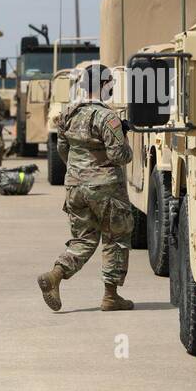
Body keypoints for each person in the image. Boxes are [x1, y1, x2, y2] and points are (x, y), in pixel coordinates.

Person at [37, 64, 134, 312]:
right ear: (104, 85)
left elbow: (62, 150)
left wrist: (79, 169)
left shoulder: (67, 113)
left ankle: (56, 275)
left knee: (84, 238)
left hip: (75, 186)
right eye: (110, 83)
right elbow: (120, 155)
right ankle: (111, 296)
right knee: (116, 237)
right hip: (106, 187)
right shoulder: (107, 116)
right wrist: (124, 137)